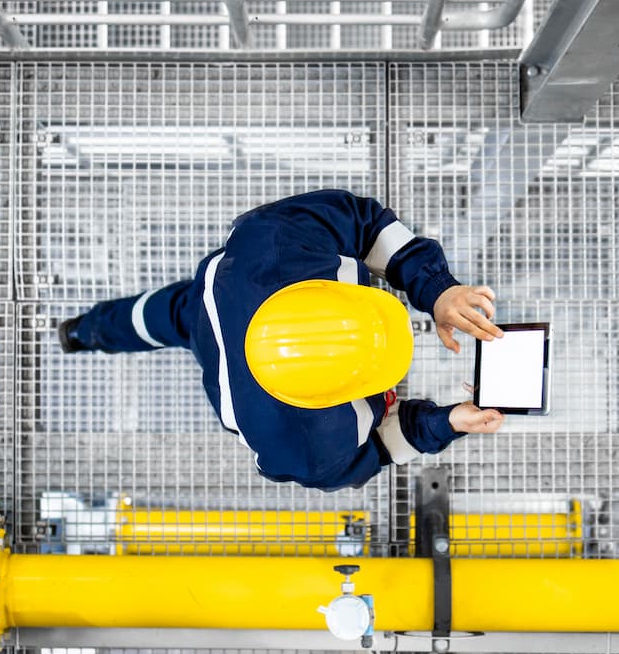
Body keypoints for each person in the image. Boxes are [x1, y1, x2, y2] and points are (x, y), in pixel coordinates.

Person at [57, 189, 505, 491]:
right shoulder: (308, 448)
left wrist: (439, 289)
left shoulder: (278, 241)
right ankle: (80, 332)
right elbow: (383, 449)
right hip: (221, 332)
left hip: (218, 297)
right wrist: (448, 423)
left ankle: (83, 331)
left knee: (156, 316)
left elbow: (365, 223)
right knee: (167, 316)